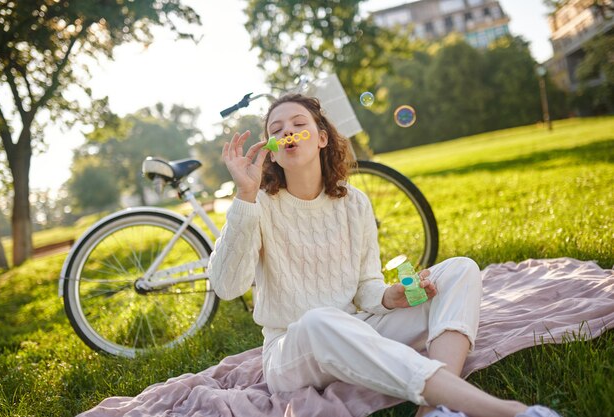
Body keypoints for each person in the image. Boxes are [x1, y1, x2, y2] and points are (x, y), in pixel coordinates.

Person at [208, 93, 561, 417]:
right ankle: (508, 411)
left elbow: (365, 287)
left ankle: (432, 411)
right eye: (277, 128)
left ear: (322, 138)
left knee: (460, 270)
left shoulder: (354, 203)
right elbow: (226, 286)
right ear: (271, 149)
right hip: (292, 351)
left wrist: (390, 297)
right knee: (320, 319)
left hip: (358, 329)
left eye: (299, 124)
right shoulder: (257, 205)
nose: (288, 131)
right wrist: (245, 195)